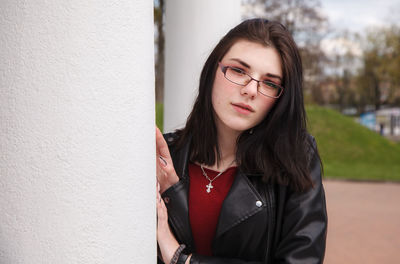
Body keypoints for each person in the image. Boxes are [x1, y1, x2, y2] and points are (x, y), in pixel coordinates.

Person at [156, 18, 327, 264]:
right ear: (212, 71)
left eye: (269, 83)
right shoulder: (167, 156)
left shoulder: (296, 157)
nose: (251, 90)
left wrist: (182, 260)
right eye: (238, 70)